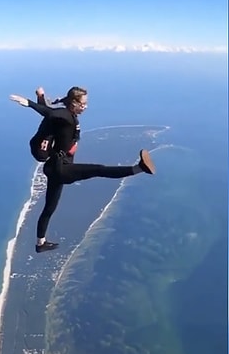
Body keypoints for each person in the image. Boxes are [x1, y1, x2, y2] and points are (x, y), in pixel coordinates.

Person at [10, 86, 156, 253]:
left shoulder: (67, 115)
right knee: (99, 170)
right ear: (74, 103)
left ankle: (40, 244)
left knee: (49, 208)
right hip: (61, 169)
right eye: (83, 103)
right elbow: (50, 113)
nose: (85, 106)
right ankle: (139, 168)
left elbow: (50, 113)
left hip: (54, 168)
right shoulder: (65, 116)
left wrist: (41, 96)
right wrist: (29, 103)